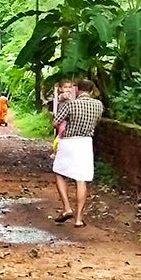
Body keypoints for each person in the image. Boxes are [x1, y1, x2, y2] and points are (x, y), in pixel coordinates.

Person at [51, 78, 103, 227]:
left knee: (60, 172)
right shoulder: (98, 105)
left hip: (68, 142)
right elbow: (97, 121)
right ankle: (79, 219)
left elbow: (56, 123)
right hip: (86, 143)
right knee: (82, 180)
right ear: (92, 91)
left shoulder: (70, 104)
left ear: (77, 89)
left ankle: (67, 208)